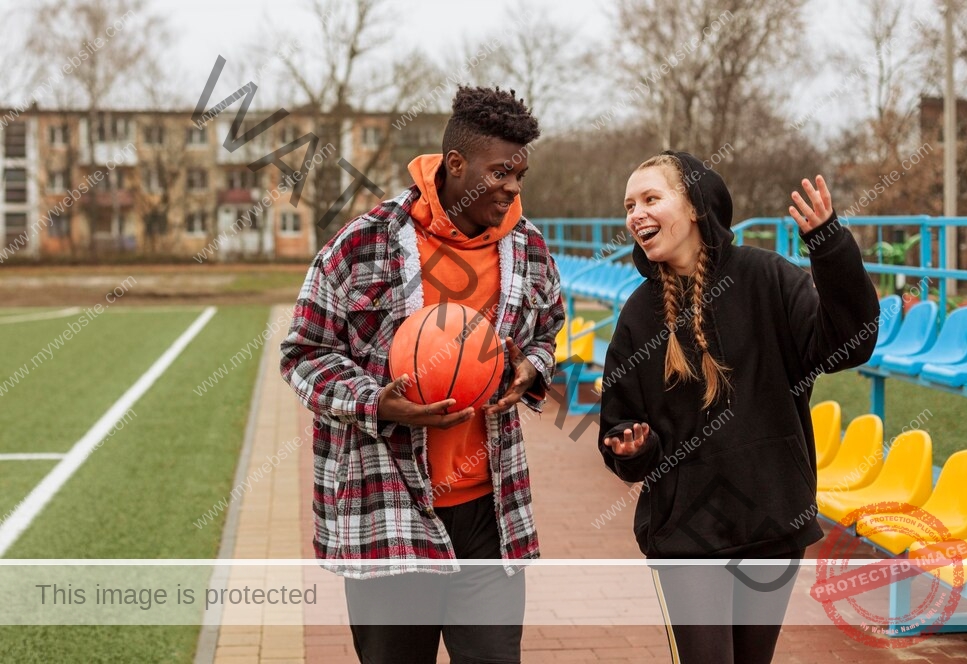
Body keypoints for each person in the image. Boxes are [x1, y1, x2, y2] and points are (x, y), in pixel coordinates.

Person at [279, 86, 564, 664]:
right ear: (455, 165)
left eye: (520, 173)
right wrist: (374, 402)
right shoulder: (361, 242)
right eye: (501, 171)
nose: (513, 186)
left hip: (490, 510)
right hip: (389, 508)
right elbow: (302, 352)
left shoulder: (527, 245)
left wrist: (529, 368)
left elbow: (548, 327)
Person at [598, 151, 879, 663]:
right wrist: (632, 446)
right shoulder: (638, 315)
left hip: (771, 517)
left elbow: (850, 341)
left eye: (651, 199)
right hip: (686, 530)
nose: (635, 214)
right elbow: (618, 424)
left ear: (696, 207)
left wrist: (830, 246)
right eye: (629, 205)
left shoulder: (766, 276)